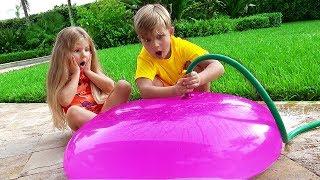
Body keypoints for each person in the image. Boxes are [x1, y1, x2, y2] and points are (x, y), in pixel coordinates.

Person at [47, 26, 131, 131]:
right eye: (77, 50)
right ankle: (108, 127)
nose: (84, 55)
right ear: (62, 55)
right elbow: (64, 100)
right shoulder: (64, 78)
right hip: (86, 121)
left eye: (87, 49)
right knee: (72, 112)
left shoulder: (90, 72)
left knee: (124, 85)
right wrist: (76, 73)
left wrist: (88, 72)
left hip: (103, 114)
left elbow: (110, 87)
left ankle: (105, 126)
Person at [133, 4, 224, 98]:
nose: (155, 44)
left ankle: (202, 100)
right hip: (166, 97)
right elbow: (145, 90)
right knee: (152, 81)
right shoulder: (145, 57)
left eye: (160, 37)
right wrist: (174, 90)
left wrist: (199, 79)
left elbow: (218, 66)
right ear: (141, 40)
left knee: (195, 65)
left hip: (191, 90)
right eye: (147, 40)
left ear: (170, 32)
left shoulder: (181, 46)